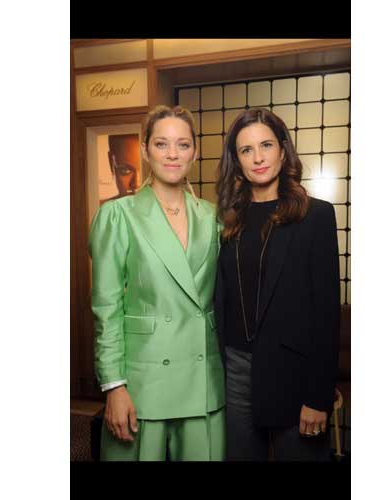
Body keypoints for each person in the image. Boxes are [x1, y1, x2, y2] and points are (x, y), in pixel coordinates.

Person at [88, 105, 225, 461]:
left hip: (203, 379)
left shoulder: (213, 216)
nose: (172, 154)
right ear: (146, 150)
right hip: (143, 383)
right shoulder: (118, 215)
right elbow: (106, 307)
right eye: (161, 144)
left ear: (195, 151)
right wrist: (114, 386)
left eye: (183, 144)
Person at [214, 107, 340, 461]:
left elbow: (326, 313)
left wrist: (318, 397)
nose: (258, 158)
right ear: (237, 161)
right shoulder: (225, 220)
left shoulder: (315, 216)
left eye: (266, 145)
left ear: (283, 151)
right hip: (235, 372)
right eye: (246, 150)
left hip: (293, 374)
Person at [100, 134, 139, 204]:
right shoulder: (98, 208)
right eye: (125, 170)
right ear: (111, 162)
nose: (137, 184)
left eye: (149, 171)